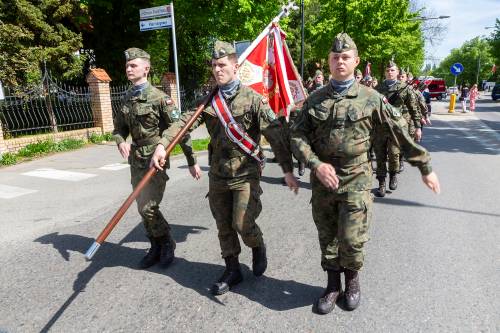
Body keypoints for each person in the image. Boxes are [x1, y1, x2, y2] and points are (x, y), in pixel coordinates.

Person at [290, 32, 440, 315]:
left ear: (356, 62)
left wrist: (424, 166)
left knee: (351, 238)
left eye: (345, 57)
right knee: (328, 237)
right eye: (335, 58)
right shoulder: (315, 99)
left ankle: (353, 282)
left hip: (356, 178)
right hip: (323, 180)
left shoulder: (372, 99)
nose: (339, 62)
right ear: (329, 62)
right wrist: (314, 164)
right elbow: (296, 136)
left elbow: (401, 134)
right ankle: (333, 285)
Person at [151, 41, 298, 295]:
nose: (217, 70)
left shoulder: (253, 100)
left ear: (235, 66)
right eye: (214, 65)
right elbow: (183, 124)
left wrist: (287, 166)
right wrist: (163, 145)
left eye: (222, 65)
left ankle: (257, 244)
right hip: (218, 173)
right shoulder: (206, 102)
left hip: (245, 173)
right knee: (223, 225)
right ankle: (232, 269)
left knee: (242, 223)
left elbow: (275, 135)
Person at [112, 48, 201, 269]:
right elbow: (118, 129)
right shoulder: (126, 98)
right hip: (136, 160)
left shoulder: (161, 99)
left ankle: (167, 242)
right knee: (141, 205)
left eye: (133, 65)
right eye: (127, 66)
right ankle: (155, 245)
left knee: (148, 206)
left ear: (146, 69)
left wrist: (192, 161)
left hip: (155, 159)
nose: (129, 69)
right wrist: (120, 140)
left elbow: (181, 131)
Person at [374, 61, 421, 196]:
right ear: (385, 72)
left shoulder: (404, 88)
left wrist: (418, 127)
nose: (390, 72)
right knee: (380, 155)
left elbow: (413, 108)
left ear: (397, 72)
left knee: (394, 154)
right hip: (380, 127)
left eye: (392, 70)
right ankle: (381, 183)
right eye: (388, 70)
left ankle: (393, 175)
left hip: (396, 127)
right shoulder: (378, 88)